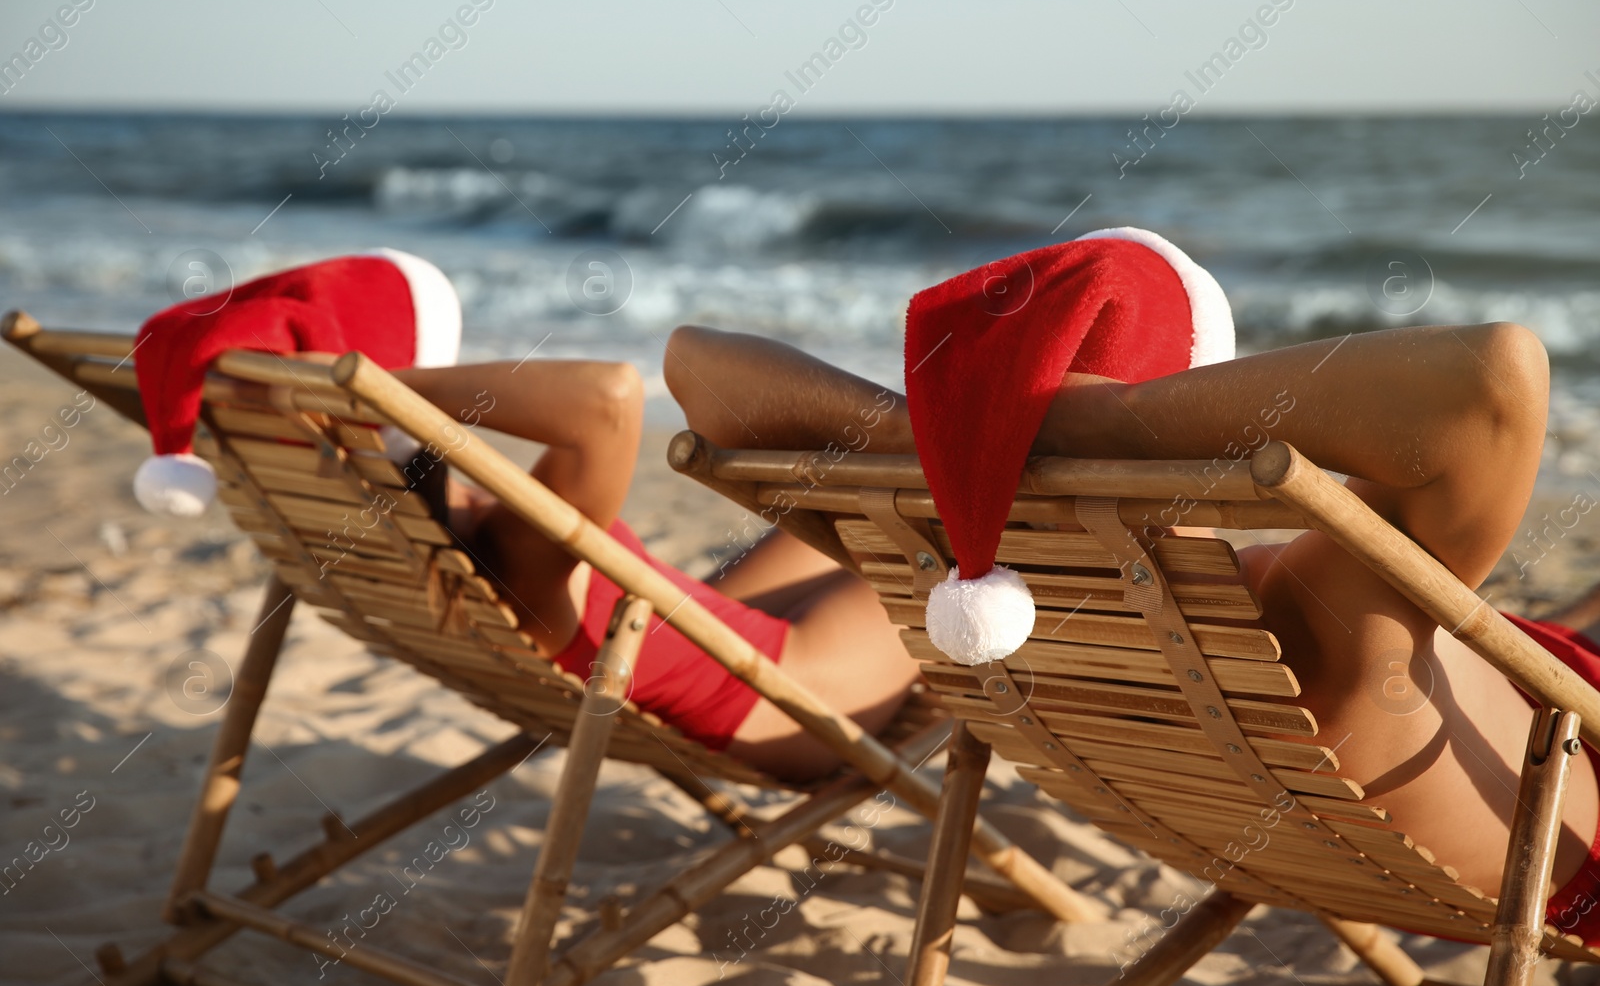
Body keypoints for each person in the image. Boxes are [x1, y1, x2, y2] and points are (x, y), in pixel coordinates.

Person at [661, 317, 1600, 937]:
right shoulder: (1331, 639)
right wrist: (1082, 422)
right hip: (1494, 769)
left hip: (1223, 763)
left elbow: (693, 368)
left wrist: (970, 439)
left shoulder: (1007, 581)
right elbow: (1490, 383)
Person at [392, 358, 921, 782]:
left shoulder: (461, 542)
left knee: (868, 497)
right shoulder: (512, 548)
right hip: (794, 702)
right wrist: (390, 389)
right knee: (960, 546)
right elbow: (611, 395)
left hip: (724, 635)